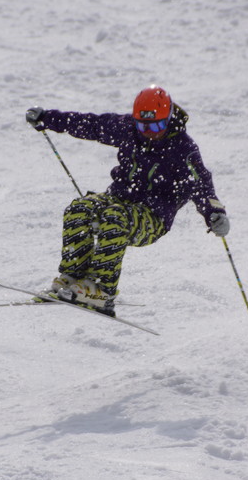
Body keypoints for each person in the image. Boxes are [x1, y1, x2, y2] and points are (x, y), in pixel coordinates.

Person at [25, 86, 229, 314]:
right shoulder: (128, 129)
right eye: (144, 125)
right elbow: (91, 125)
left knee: (113, 218)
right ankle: (73, 279)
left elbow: (201, 183)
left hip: (153, 217)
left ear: (169, 118)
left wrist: (214, 213)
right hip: (119, 198)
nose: (150, 131)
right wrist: (48, 118)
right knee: (80, 208)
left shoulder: (182, 148)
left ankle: (101, 291)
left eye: (157, 125)